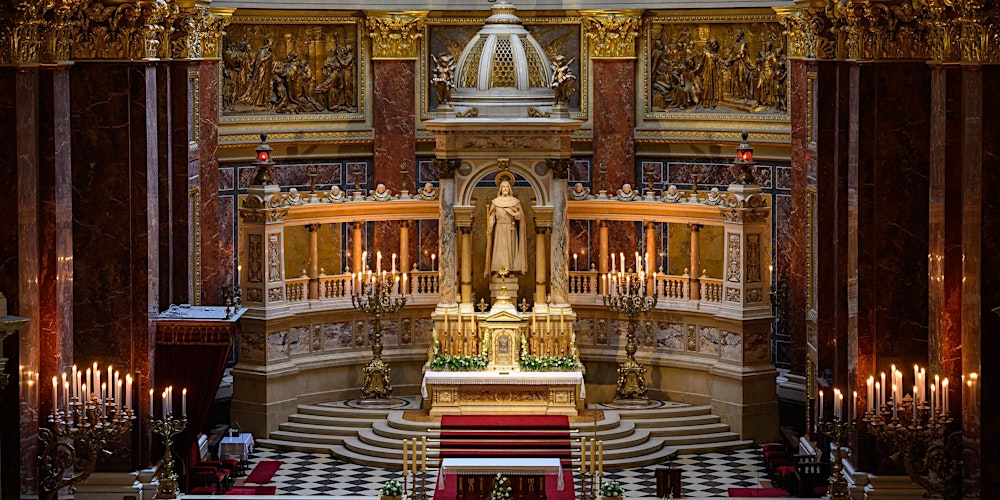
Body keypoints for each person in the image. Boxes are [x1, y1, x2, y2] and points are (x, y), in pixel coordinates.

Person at [485, 180, 527, 276]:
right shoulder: (495, 202)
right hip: (499, 228)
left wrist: (514, 214)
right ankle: (498, 270)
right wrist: (490, 226)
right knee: (499, 249)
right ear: (500, 189)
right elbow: (492, 216)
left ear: (509, 188)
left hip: (510, 228)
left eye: (507, 187)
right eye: (503, 187)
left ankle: (510, 269)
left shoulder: (515, 202)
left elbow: (521, 217)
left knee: (511, 248)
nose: (505, 189)